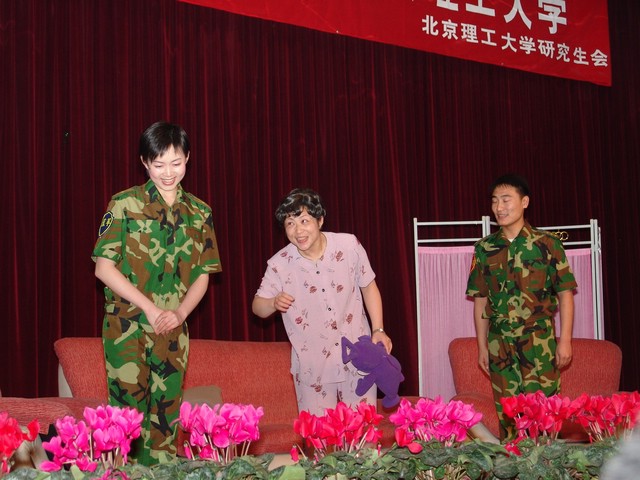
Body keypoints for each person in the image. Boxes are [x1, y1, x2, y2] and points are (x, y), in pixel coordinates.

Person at [92, 121, 222, 465]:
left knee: (166, 420)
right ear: (144, 162)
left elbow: (203, 274)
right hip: (127, 326)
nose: (168, 173)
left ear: (187, 158)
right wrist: (149, 308)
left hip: (172, 328)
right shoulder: (123, 204)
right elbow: (104, 268)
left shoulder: (200, 212)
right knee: (126, 420)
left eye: (176, 163)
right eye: (159, 164)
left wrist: (180, 314)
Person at [252, 188, 392, 416]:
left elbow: (369, 286)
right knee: (318, 433)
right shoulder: (279, 264)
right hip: (312, 365)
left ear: (320, 220)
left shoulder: (349, 246)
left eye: (304, 221)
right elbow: (258, 307)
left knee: (362, 428)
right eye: (290, 224)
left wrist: (379, 329)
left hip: (358, 355)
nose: (298, 231)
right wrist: (273, 302)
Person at [466, 174, 577, 440]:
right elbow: (480, 299)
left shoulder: (548, 244)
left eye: (506, 200)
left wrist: (565, 341)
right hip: (500, 343)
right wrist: (482, 345)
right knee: (509, 415)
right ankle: (513, 460)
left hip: (539, 340)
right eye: (495, 201)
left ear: (524, 202)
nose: (499, 207)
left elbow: (565, 294)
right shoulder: (484, 248)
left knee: (545, 413)